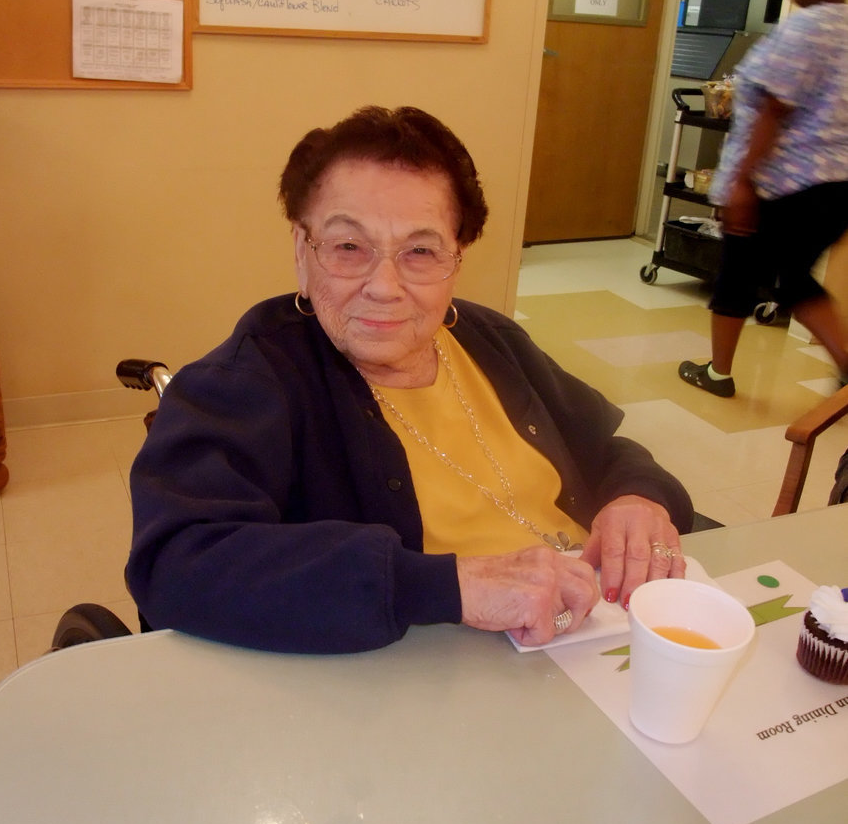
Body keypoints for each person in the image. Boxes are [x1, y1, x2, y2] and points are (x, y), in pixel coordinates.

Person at [126, 106, 692, 654]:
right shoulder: (245, 381)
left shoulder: (489, 339)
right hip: (437, 678)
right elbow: (178, 562)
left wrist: (636, 499)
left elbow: (609, 449)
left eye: (420, 251)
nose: (385, 286)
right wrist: (447, 587)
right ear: (303, 251)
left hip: (594, 636)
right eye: (350, 247)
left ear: (456, 260)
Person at [679, 0, 848, 399]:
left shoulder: (806, 31)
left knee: (737, 272)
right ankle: (847, 366)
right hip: (837, 189)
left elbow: (773, 110)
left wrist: (742, 184)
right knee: (793, 277)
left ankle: (718, 372)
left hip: (782, 185)